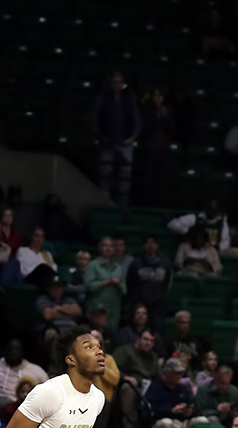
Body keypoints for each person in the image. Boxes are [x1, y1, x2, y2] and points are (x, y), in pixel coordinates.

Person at [93, 71, 142, 206]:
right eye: (115, 81)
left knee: (125, 175)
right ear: (110, 83)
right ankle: (103, 203)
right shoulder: (103, 97)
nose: (117, 84)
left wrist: (133, 137)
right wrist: (101, 137)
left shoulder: (129, 97)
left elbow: (136, 119)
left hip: (125, 142)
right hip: (107, 142)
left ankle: (123, 206)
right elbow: (95, 120)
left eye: (120, 82)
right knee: (105, 173)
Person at [147, 358, 196, 428]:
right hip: (159, 423)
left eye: (180, 373)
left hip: (181, 422)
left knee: (201, 421)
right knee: (166, 423)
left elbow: (192, 406)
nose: (179, 376)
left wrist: (190, 412)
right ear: (167, 372)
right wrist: (171, 411)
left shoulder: (183, 388)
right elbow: (150, 411)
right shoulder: (155, 387)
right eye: (176, 373)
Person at [127, 236, 172, 329]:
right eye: (148, 243)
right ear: (143, 246)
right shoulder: (136, 263)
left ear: (157, 246)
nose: (150, 245)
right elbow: (130, 282)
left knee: (157, 329)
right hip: (140, 303)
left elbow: (167, 283)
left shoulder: (165, 263)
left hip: (158, 304)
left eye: (153, 243)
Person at [85, 237, 127, 330]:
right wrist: (106, 282)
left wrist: (118, 284)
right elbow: (89, 287)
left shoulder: (118, 268)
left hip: (113, 312)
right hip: (97, 310)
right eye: (105, 245)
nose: (108, 248)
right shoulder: (93, 265)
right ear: (100, 248)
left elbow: (124, 290)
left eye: (111, 246)